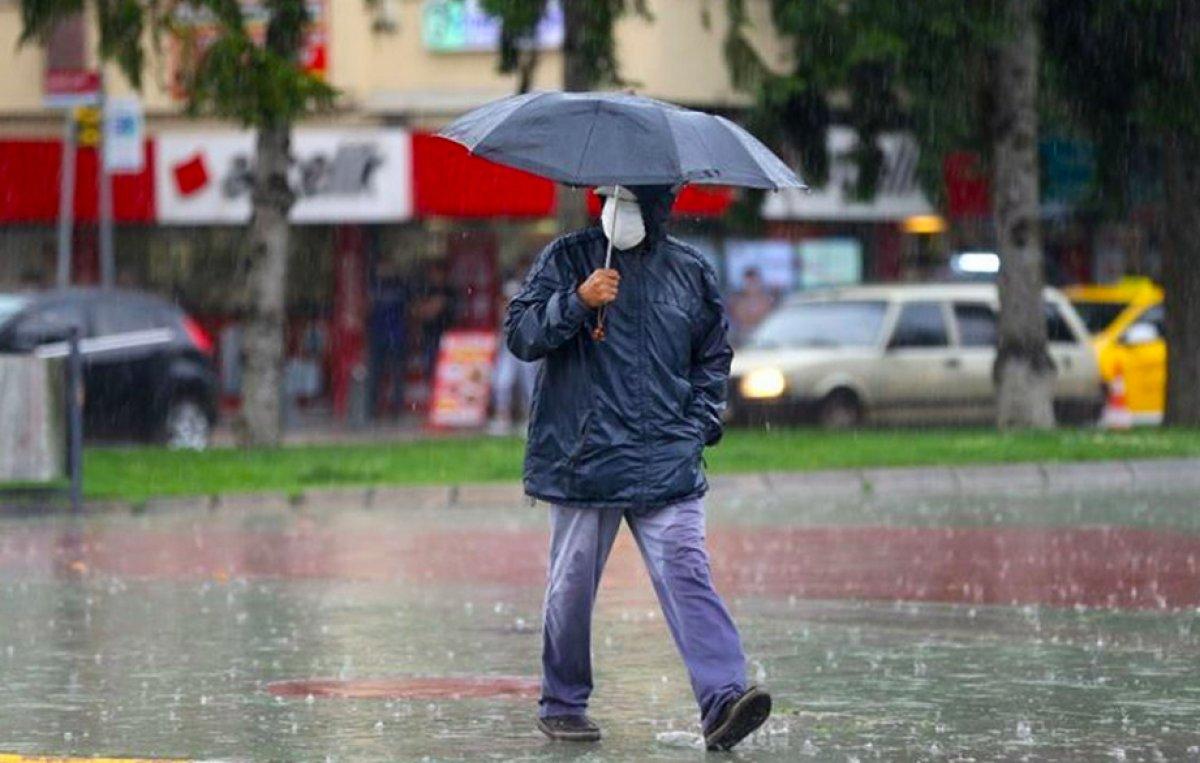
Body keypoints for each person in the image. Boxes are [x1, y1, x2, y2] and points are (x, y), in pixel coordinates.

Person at [506, 184, 770, 751]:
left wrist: (698, 424)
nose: (618, 212)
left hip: (665, 460)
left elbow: (711, 357)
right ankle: (563, 702)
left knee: (687, 572)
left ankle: (723, 698)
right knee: (571, 587)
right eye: (609, 198)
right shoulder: (567, 259)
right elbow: (522, 335)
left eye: (633, 201)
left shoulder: (689, 272)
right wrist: (577, 301)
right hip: (585, 459)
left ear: (659, 207)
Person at [488, 278, 540, 435]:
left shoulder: (528, 310)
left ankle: (530, 421)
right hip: (508, 352)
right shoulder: (503, 312)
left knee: (530, 386)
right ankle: (502, 418)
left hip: (526, 351)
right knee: (502, 382)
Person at [728, 267, 777, 346]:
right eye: (749, 283)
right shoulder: (736, 302)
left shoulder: (768, 301)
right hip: (743, 337)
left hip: (765, 336)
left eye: (754, 282)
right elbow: (737, 320)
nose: (752, 286)